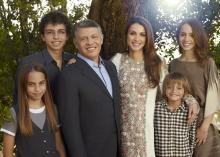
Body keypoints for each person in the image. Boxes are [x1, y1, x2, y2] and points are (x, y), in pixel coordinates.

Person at [111, 16, 199, 157]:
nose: (136, 38)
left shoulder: (156, 62)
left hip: (151, 131)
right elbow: (100, 84)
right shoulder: (117, 60)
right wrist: (77, 62)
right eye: (132, 33)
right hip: (124, 132)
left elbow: (171, 88)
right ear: (126, 35)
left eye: (142, 34)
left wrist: (191, 101)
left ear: (147, 38)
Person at [55, 19, 121, 157]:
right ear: (75, 43)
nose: (90, 42)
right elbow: (70, 125)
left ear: (101, 39)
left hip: (115, 149)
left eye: (94, 37)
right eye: (84, 39)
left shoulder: (111, 67)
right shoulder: (69, 75)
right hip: (90, 151)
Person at [169, 18, 220, 157]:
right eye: (182, 34)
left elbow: (213, 97)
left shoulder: (208, 63)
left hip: (203, 125)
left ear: (198, 36)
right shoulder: (173, 64)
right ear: (178, 36)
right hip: (179, 125)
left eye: (191, 35)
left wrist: (204, 128)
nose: (186, 39)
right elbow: (171, 93)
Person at [1, 63, 66, 157]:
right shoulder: (13, 113)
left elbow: (59, 145)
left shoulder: (53, 109)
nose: (37, 89)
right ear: (23, 86)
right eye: (31, 84)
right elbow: (7, 153)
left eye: (41, 83)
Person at [13, 10, 74, 106]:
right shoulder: (28, 64)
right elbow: (19, 102)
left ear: (67, 36)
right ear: (43, 37)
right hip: (40, 119)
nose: (56, 37)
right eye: (50, 32)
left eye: (61, 32)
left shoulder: (73, 61)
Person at [154, 72, 197, 157]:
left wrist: (189, 153)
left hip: (183, 154)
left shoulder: (190, 111)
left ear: (185, 91)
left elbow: (192, 136)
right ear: (164, 89)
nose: (174, 91)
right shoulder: (156, 109)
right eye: (169, 87)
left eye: (179, 88)